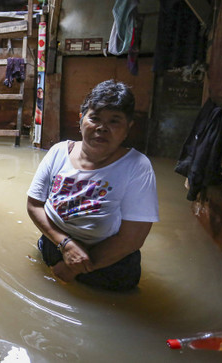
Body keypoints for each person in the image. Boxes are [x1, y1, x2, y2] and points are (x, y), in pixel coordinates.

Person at [26, 79, 159, 291]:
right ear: (81, 120)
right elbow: (34, 205)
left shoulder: (137, 166)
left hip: (108, 265)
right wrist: (65, 245)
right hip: (54, 248)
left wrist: (74, 268)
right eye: (94, 118)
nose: (102, 128)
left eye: (114, 121)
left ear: (128, 127)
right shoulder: (59, 152)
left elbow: (132, 238)